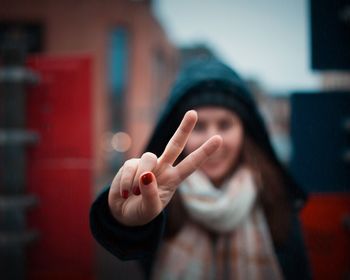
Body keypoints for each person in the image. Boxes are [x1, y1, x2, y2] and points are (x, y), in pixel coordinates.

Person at [90, 58, 311, 279]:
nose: (211, 141)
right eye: (199, 126)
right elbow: (127, 244)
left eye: (225, 124)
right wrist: (125, 222)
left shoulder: (276, 201)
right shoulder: (159, 201)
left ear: (245, 132)